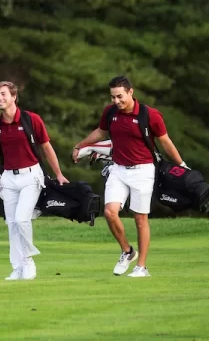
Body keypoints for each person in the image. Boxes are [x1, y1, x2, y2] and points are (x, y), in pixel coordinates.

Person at [71, 76, 187, 278]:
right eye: (113, 97)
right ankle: (127, 251)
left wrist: (182, 165)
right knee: (109, 212)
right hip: (118, 169)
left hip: (143, 171)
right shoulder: (110, 112)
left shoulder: (150, 115)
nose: (116, 101)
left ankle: (141, 267)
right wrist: (80, 145)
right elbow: (100, 132)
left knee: (140, 219)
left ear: (131, 92)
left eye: (120, 96)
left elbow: (166, 142)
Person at [0, 81, 68, 281]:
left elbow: (46, 148)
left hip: (31, 176)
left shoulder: (31, 120)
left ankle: (28, 261)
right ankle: (17, 267)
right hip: (8, 178)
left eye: (3, 94)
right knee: (11, 223)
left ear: (13, 97)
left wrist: (59, 173)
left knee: (21, 219)